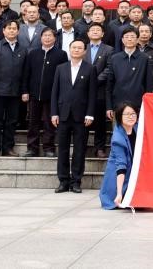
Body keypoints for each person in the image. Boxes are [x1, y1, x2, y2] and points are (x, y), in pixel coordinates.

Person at [51, 39, 96, 193]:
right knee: (62, 149)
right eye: (74, 47)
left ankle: (76, 181)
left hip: (81, 116)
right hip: (63, 114)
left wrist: (90, 114)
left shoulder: (90, 69)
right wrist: (54, 113)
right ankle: (63, 181)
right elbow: (54, 92)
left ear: (84, 51)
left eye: (80, 48)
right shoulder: (60, 68)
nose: (76, 50)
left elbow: (92, 94)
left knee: (79, 149)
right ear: (69, 50)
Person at [22, 26, 68, 157]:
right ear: (40, 38)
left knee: (50, 122)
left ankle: (49, 148)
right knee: (33, 122)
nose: (47, 38)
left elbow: (64, 76)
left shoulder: (61, 54)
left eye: (50, 36)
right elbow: (26, 73)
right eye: (45, 35)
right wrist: (25, 90)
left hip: (52, 95)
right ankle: (32, 148)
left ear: (55, 38)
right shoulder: (33, 53)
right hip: (34, 93)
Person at [0, 20, 25, 157]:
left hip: (15, 91)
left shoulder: (22, 48)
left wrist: (24, 90)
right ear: (3, 31)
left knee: (12, 121)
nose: (12, 30)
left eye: (14, 28)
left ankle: (8, 147)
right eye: (9, 28)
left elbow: (25, 72)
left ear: (18, 31)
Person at [84, 23, 114, 158]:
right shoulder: (82, 48)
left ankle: (99, 147)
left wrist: (94, 81)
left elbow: (109, 69)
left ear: (102, 34)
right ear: (88, 33)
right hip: (82, 91)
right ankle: (82, 146)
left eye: (98, 30)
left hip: (100, 90)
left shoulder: (109, 49)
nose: (95, 32)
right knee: (82, 119)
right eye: (92, 30)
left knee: (100, 122)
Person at [106, 27, 153, 110]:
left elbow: (149, 84)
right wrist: (109, 107)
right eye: (127, 37)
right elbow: (109, 84)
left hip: (139, 103)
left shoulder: (145, 58)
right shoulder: (115, 58)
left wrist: (147, 104)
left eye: (132, 37)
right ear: (122, 40)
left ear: (137, 40)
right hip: (118, 103)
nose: (129, 39)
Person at [100, 102, 138, 209]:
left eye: (133, 114)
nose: (131, 117)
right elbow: (121, 167)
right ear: (119, 116)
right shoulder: (118, 138)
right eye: (127, 114)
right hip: (120, 177)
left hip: (133, 173)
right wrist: (119, 193)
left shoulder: (137, 128)